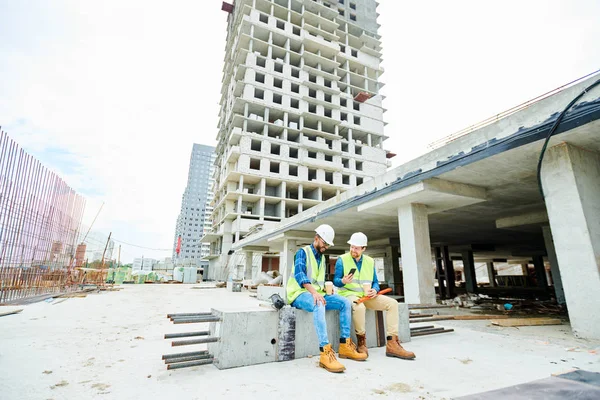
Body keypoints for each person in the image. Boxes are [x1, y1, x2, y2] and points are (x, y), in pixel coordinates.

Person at [286, 224, 367, 373]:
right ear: (316, 238)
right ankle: (325, 353)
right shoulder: (302, 252)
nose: (326, 247)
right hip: (298, 294)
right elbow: (300, 276)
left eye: (328, 244)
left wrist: (327, 291)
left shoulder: (322, 258)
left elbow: (319, 282)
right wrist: (315, 294)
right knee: (319, 304)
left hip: (316, 293)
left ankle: (345, 345)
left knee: (343, 302)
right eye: (324, 243)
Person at [334, 232, 416, 360]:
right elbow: (335, 281)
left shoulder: (369, 261)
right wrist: (343, 281)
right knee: (359, 308)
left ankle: (392, 344)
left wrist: (374, 289)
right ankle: (362, 342)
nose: (353, 250)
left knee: (392, 304)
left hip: (368, 296)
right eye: (352, 246)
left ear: (363, 248)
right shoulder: (342, 259)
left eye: (356, 247)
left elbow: (376, 282)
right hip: (349, 294)